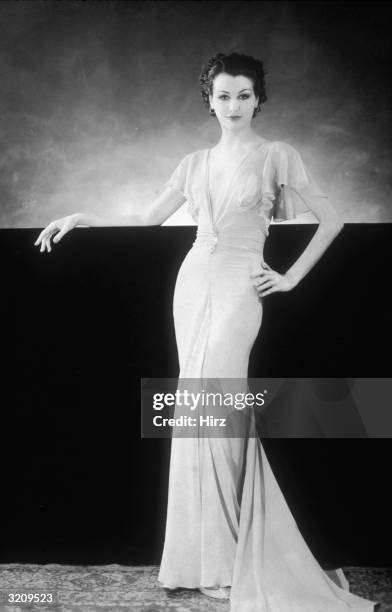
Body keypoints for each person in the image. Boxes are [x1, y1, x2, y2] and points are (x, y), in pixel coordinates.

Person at [34, 52, 379, 611]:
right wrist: (79, 217)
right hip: (192, 287)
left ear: (258, 99)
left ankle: (238, 554)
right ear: (209, 101)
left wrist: (289, 277)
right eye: (223, 95)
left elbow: (331, 219)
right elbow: (146, 221)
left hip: (241, 290)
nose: (234, 105)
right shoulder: (192, 163)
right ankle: (203, 560)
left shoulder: (277, 155)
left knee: (223, 411)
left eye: (244, 95)